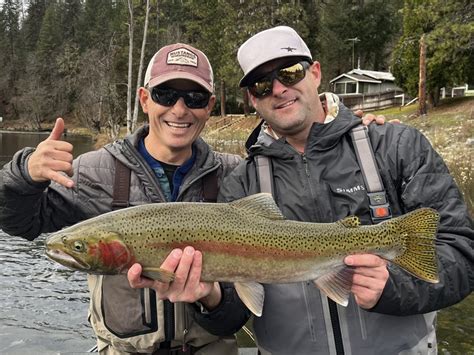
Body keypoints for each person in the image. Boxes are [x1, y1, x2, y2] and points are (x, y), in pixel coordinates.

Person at [129, 26, 473, 354]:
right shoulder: (241, 182)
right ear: (252, 98)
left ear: (316, 73)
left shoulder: (396, 146)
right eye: (262, 84)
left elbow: (461, 252)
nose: (278, 89)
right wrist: (209, 297)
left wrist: (395, 286)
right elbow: (235, 314)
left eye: (290, 72)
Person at [0, 43, 243, 354]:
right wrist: (24, 175)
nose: (179, 109)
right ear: (144, 99)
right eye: (165, 95)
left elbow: (238, 314)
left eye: (194, 98)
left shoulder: (234, 174)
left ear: (209, 106)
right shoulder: (93, 171)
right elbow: (20, 224)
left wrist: (212, 297)